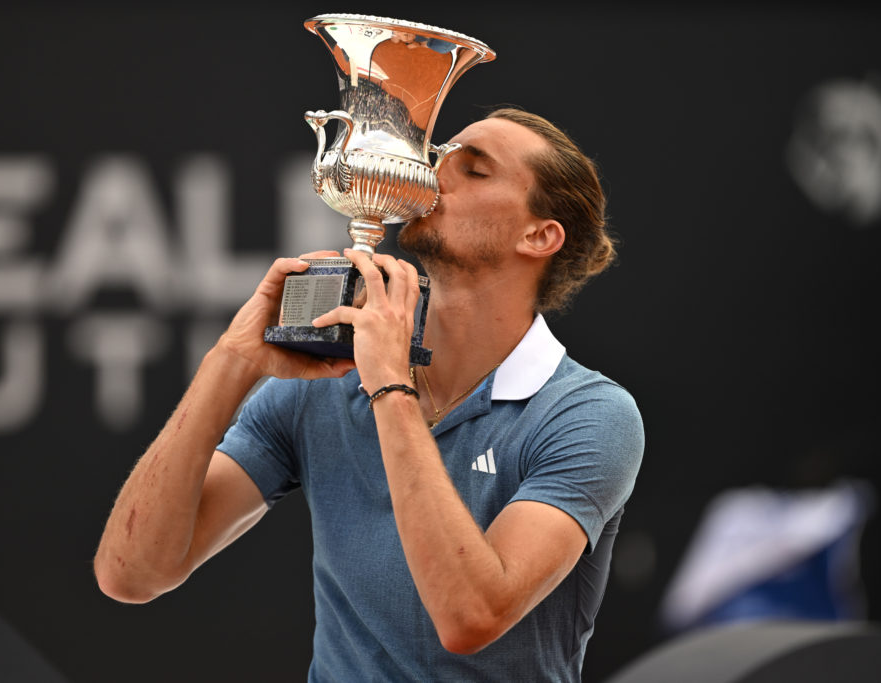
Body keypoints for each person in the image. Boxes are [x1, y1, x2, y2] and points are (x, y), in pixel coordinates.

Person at [94, 107, 645, 681]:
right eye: (438, 159)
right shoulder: (325, 383)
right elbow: (130, 576)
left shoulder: (590, 415)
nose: (431, 178)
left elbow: (470, 618)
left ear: (539, 235)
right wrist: (229, 362)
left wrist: (389, 385)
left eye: (474, 171)